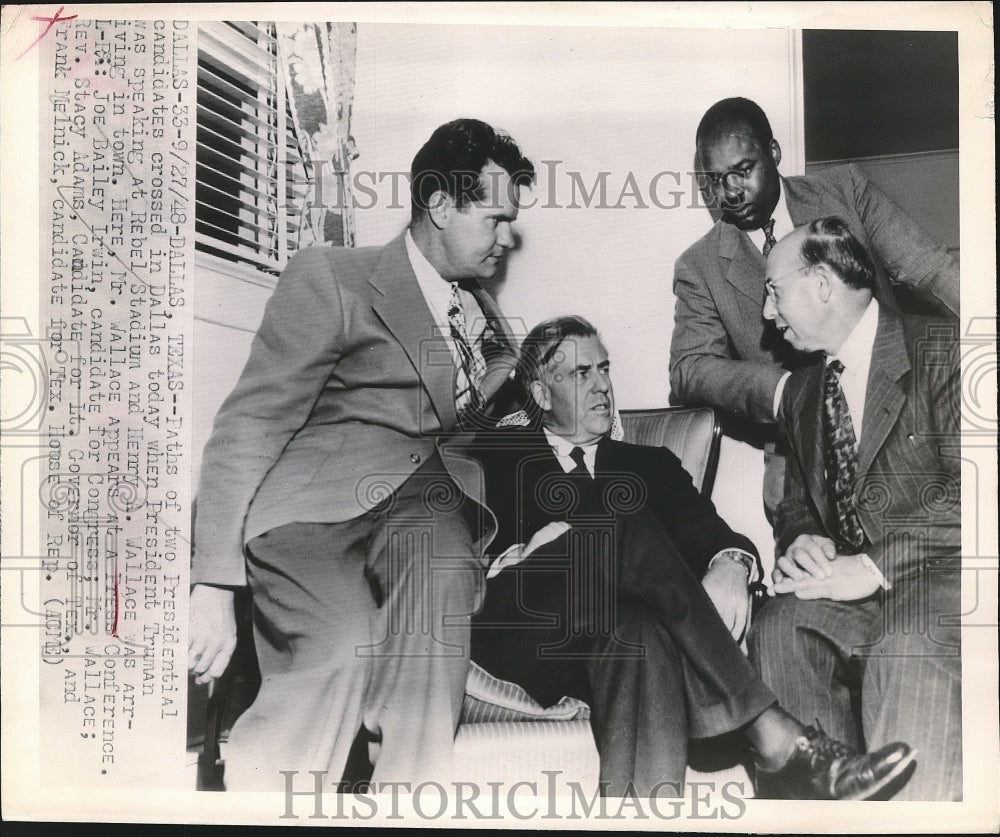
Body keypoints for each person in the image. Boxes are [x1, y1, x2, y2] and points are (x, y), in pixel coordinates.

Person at [187, 118, 535, 790]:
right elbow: (252, 419)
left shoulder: (489, 320)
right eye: (494, 218)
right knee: (340, 646)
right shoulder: (335, 275)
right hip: (316, 505)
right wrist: (212, 582)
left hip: (424, 504)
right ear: (440, 206)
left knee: (444, 583)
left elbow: (471, 430)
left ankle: (405, 798)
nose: (505, 236)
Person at [468, 315, 916, 800]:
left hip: (609, 634)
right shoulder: (497, 454)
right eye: (581, 374)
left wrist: (730, 563)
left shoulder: (650, 465)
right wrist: (529, 550)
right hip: (524, 625)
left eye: (604, 369)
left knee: (638, 631)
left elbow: (714, 534)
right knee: (623, 521)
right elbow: (456, 545)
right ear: (538, 393)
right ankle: (769, 729)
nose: (602, 386)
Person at [748, 218, 962, 800]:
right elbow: (794, 503)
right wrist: (799, 540)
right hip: (857, 598)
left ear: (821, 284)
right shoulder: (799, 393)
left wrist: (868, 568)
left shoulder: (944, 349)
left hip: (946, 578)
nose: (768, 314)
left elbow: (978, 498)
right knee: (777, 626)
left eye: (773, 290)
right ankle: (832, 798)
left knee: (906, 639)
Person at [669, 96, 959, 516]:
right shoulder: (699, 266)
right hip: (798, 467)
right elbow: (688, 368)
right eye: (715, 180)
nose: (728, 193)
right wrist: (786, 393)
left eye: (742, 171)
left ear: (773, 153)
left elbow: (931, 269)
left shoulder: (846, 191)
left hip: (903, 426)